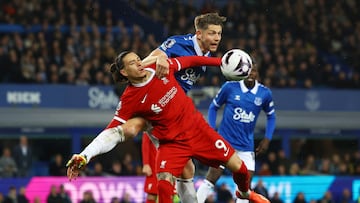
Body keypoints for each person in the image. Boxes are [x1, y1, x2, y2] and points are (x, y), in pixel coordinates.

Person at [66, 52, 270, 203]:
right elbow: (111, 133)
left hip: (198, 130)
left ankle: (245, 193)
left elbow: (192, 60)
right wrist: (85, 155)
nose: (138, 63)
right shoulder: (130, 99)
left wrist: (221, 62)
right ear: (123, 71)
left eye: (138, 59)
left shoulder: (160, 67)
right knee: (163, 184)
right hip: (172, 144)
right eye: (131, 63)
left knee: (241, 170)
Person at [141, 12, 226, 203]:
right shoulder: (178, 43)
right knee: (176, 168)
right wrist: (159, 58)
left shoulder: (206, 53)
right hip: (159, 108)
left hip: (175, 111)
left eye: (219, 33)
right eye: (212, 33)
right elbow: (145, 62)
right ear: (199, 34)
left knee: (187, 168)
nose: (217, 38)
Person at [197, 65, 276, 203]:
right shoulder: (230, 87)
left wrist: (267, 139)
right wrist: (211, 130)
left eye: (254, 70)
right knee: (212, 178)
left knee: (245, 188)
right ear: (243, 71)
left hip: (246, 146)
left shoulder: (264, 93)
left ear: (258, 73)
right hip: (225, 142)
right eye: (249, 70)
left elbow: (271, 116)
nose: (251, 73)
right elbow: (213, 107)